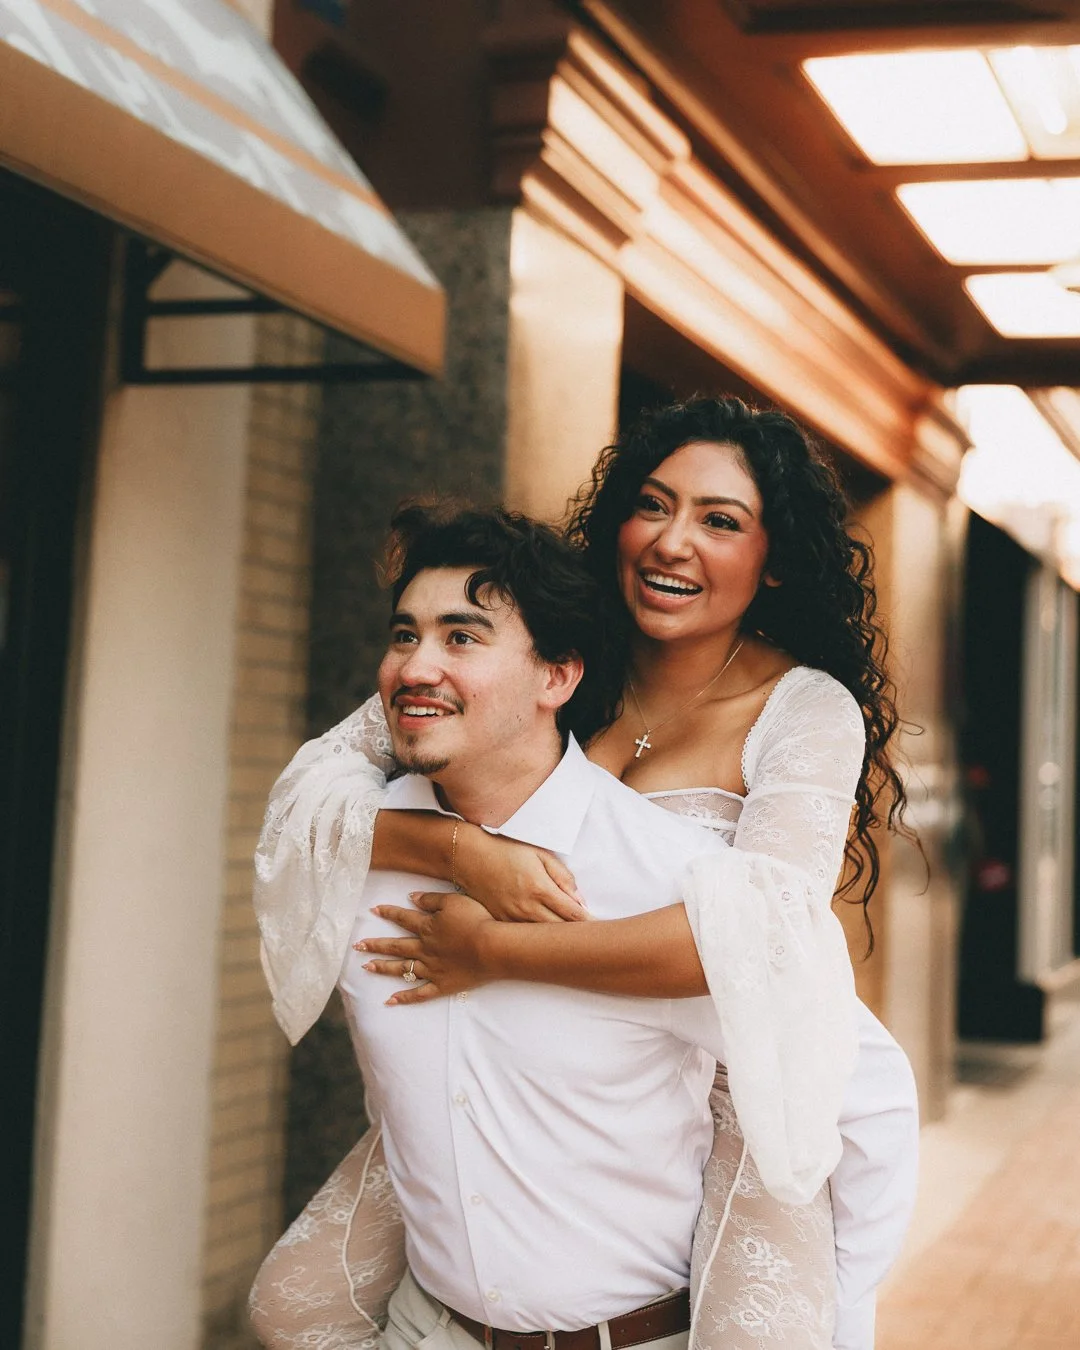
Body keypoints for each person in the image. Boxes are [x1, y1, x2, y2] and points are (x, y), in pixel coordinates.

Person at [251, 398, 917, 1350]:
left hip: (725, 1084)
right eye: (654, 505)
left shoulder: (802, 709)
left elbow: (755, 944)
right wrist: (460, 852)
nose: (672, 541)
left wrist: (499, 946)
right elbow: (313, 799)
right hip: (509, 1056)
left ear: (773, 562)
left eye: (719, 520)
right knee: (291, 1304)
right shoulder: (550, 640)